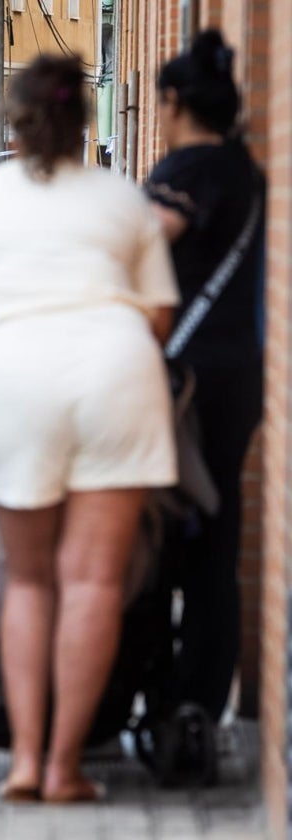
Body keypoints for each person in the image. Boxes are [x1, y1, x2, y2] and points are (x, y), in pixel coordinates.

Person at [0, 55, 179, 802]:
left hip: (15, 379)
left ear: (14, 123)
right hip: (119, 373)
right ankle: (66, 767)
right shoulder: (125, 201)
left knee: (30, 582)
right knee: (95, 582)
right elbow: (162, 317)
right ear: (84, 121)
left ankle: (22, 761)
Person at [146, 30, 265, 732]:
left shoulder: (187, 171)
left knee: (157, 538)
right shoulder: (250, 172)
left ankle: (167, 697)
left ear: (174, 101)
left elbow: (144, 238)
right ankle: (201, 703)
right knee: (217, 540)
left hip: (182, 383)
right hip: (240, 378)